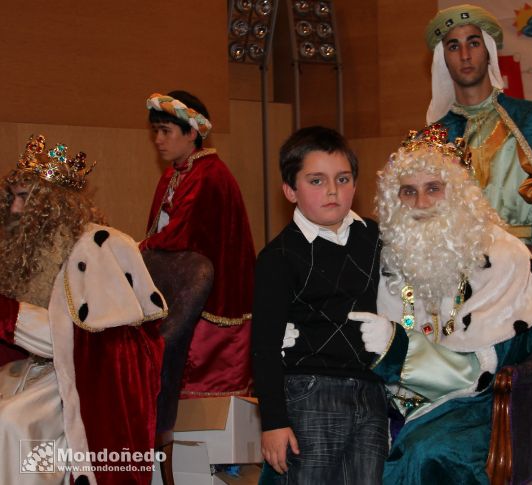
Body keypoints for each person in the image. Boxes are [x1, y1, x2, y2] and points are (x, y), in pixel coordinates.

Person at [346, 126, 532, 484]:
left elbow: (484, 371)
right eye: (408, 192)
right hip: (399, 402)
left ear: (458, 194)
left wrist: (396, 350)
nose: (421, 204)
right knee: (333, 437)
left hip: (478, 408)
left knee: (430, 453)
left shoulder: (503, 257)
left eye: (433, 189)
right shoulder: (392, 259)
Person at [0, 134, 167, 485]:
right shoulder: (23, 252)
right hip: (32, 370)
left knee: (12, 422)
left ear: (53, 203)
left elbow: (63, 341)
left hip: (77, 380)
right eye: (11, 198)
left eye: (24, 198)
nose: (14, 209)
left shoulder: (97, 247)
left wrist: (6, 313)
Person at [251, 126, 388, 484]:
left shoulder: (374, 238)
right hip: (310, 392)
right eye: (316, 180)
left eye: (342, 179)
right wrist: (274, 422)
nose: (332, 190)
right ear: (289, 191)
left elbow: (402, 297)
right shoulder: (279, 256)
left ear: (355, 185)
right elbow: (263, 346)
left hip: (370, 390)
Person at [424, 4, 532, 281]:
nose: (466, 55)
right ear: (443, 58)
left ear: (488, 51)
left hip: (527, 266)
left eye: (474, 43)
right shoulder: (432, 139)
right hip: (459, 275)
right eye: (454, 46)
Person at [141, 91, 257, 456]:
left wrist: (134, 251)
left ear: (192, 132)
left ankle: (211, 460)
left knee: (200, 395)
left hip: (212, 299)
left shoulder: (209, 175)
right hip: (185, 297)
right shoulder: (177, 173)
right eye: (155, 133)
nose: (159, 140)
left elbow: (181, 237)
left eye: (165, 131)